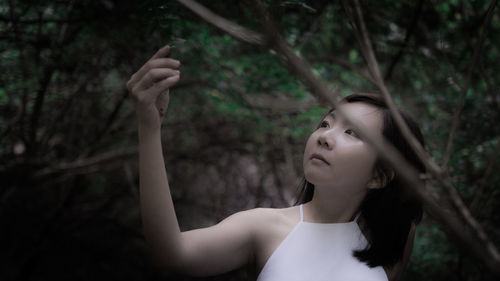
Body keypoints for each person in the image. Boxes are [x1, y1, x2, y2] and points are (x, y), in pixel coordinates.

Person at [126, 44, 425, 281]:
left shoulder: (394, 239)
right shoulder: (264, 227)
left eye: (351, 133)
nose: (324, 137)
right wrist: (149, 128)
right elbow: (171, 253)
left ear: (379, 176)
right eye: (325, 123)